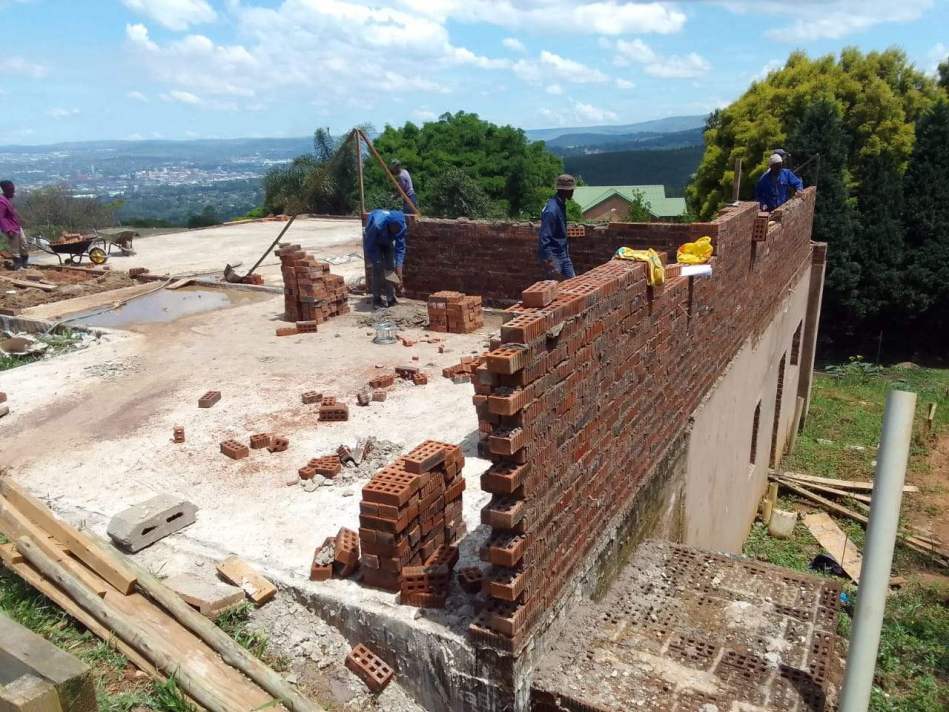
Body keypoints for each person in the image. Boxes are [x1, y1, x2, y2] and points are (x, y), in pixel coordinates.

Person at [363, 208, 407, 309]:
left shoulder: (401, 225)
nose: (397, 232)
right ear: (390, 225)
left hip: (387, 241)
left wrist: (399, 272)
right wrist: (375, 260)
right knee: (378, 268)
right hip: (374, 242)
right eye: (395, 230)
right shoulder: (376, 225)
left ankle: (390, 298)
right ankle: (376, 299)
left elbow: (400, 249)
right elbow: (369, 245)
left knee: (390, 267)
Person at [538, 173, 577, 279]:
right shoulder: (552, 210)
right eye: (571, 190)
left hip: (563, 253)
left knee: (572, 282)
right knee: (557, 286)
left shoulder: (560, 205)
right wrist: (549, 262)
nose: (572, 192)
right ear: (565, 191)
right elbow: (544, 238)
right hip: (554, 257)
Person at [0, 180, 28, 270]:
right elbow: (1, 217)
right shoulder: (1, 201)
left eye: (13, 190)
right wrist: (8, 230)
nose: (13, 192)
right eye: (11, 190)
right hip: (11, 228)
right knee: (15, 247)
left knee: (24, 244)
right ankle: (18, 266)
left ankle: (24, 264)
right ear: (5, 190)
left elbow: (13, 211)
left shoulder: (8, 200)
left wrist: (20, 218)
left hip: (17, 226)